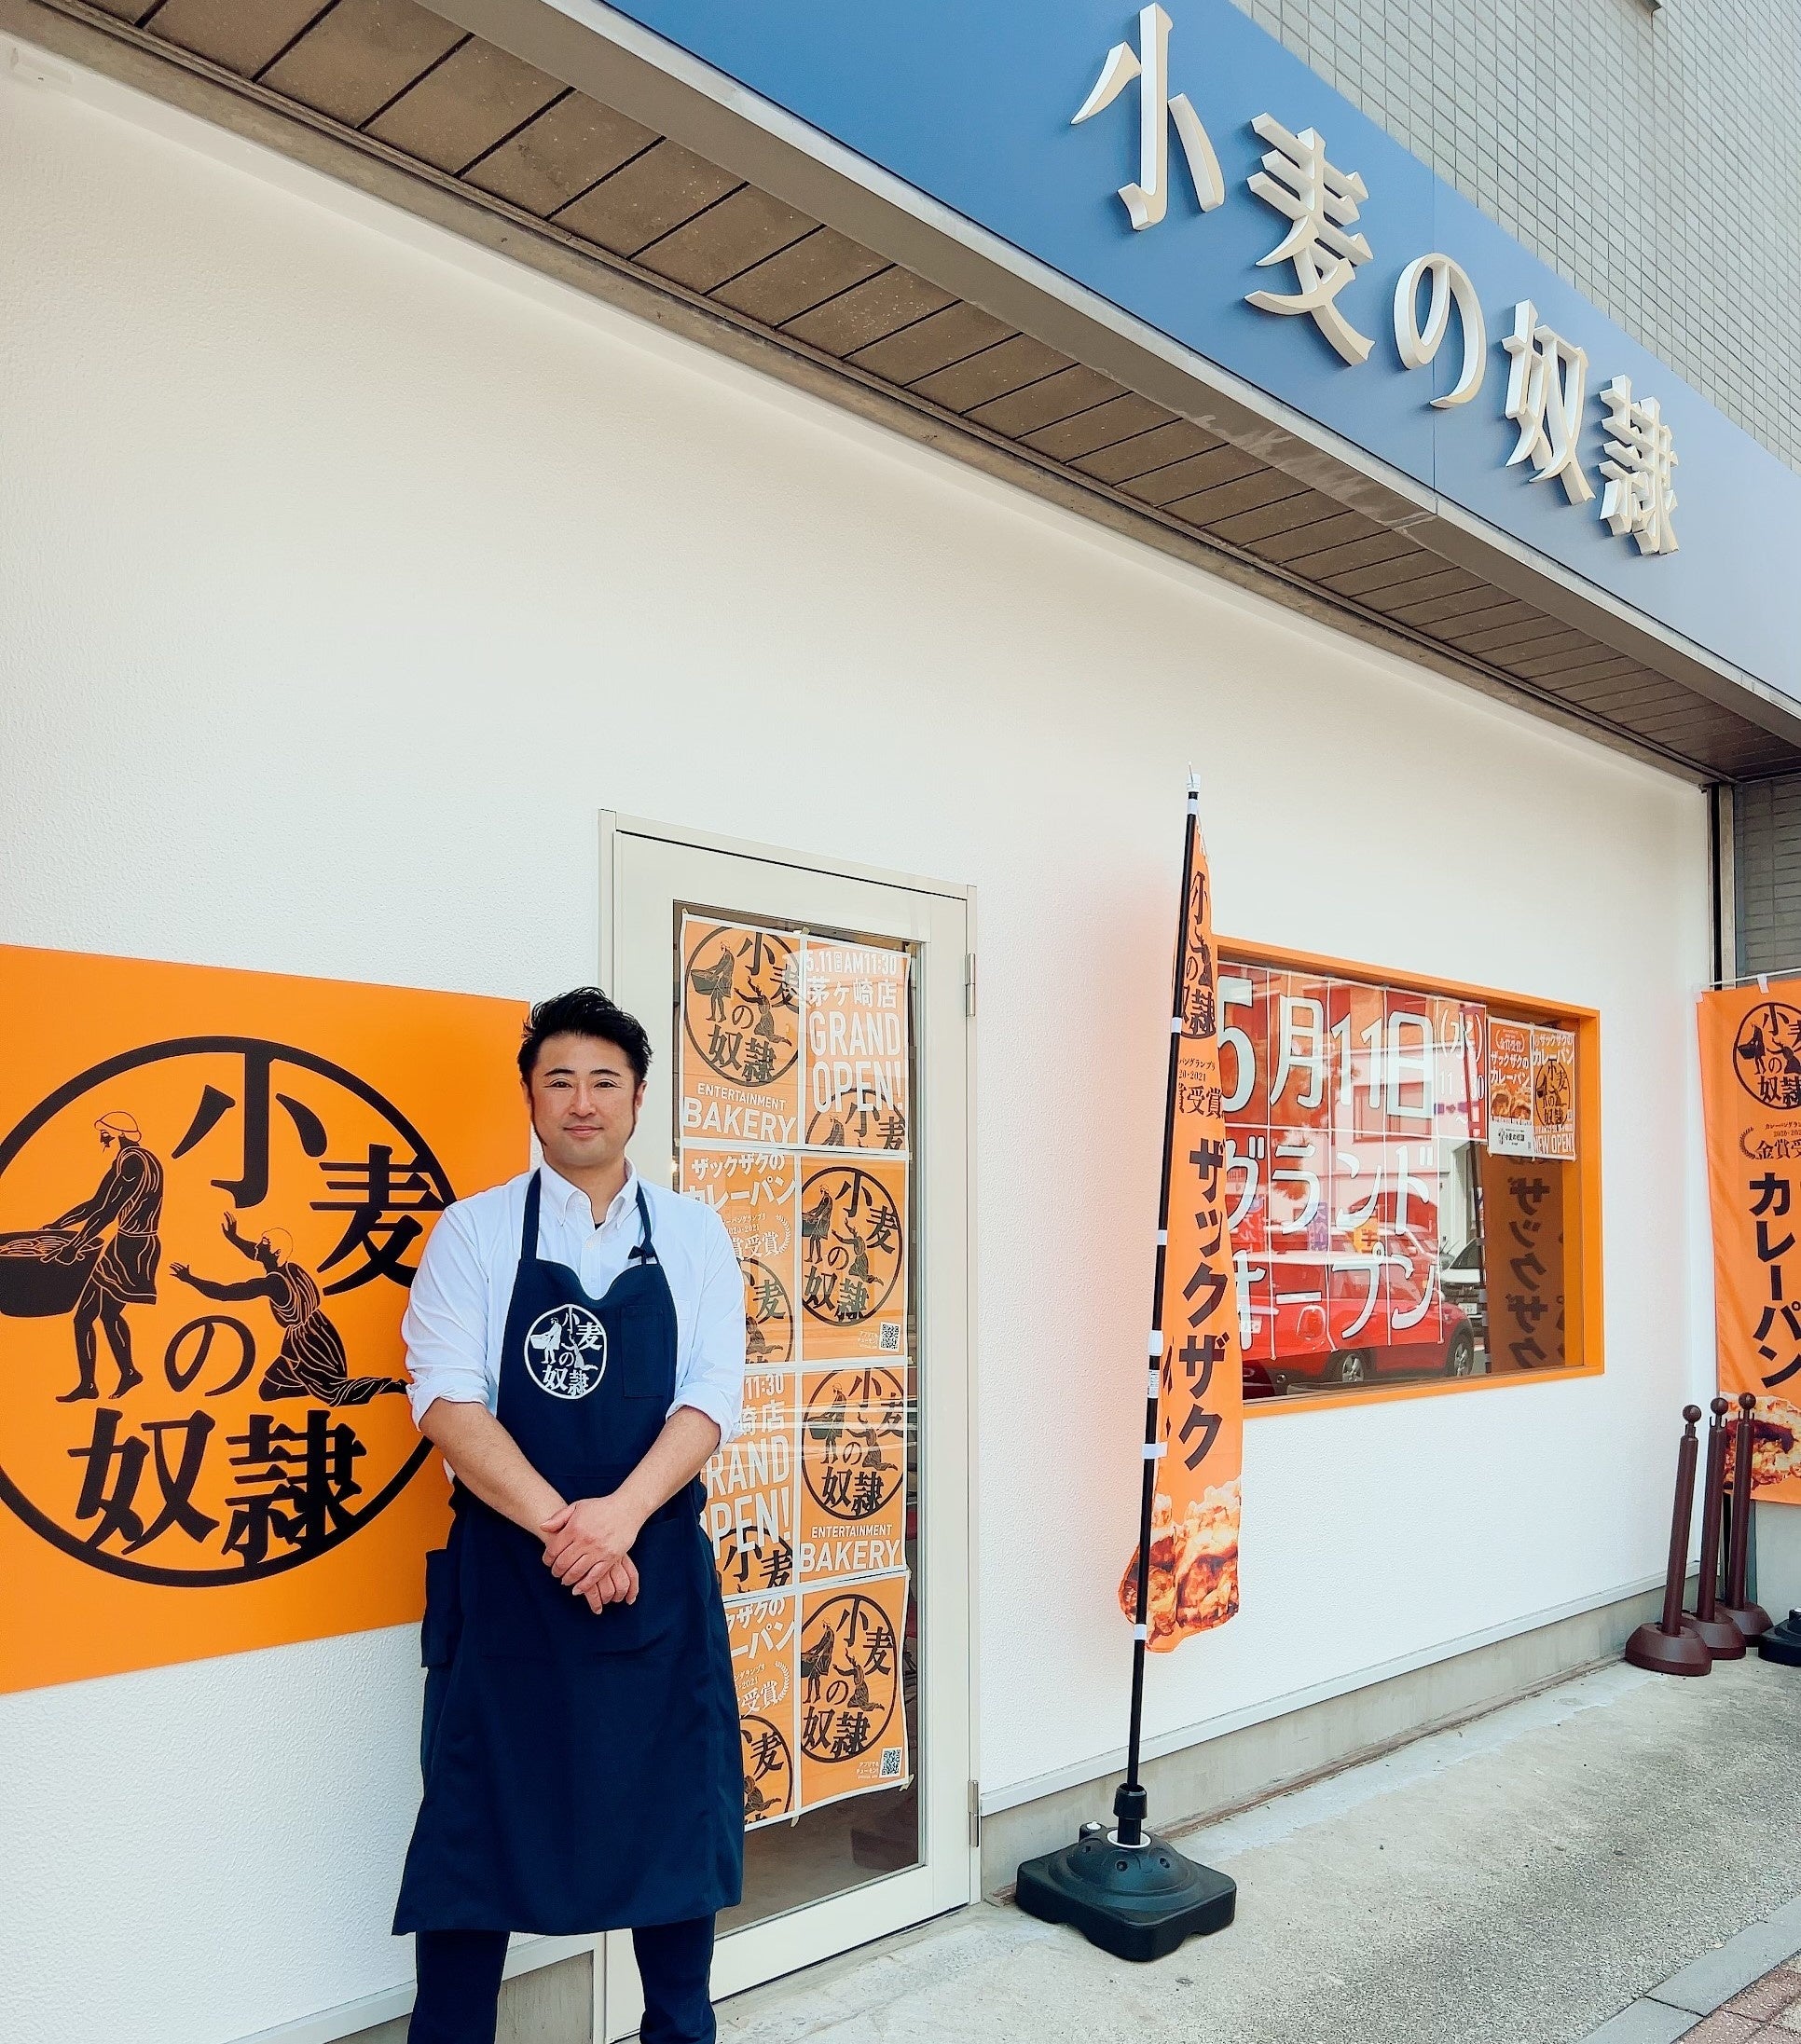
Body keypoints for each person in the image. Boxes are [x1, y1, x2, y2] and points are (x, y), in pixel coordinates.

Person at [392, 988, 746, 2044]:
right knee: (474, 1844)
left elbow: (711, 1395)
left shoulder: (691, 1233)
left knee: (673, 1845)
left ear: (638, 1098)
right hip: (509, 1590)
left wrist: (622, 1519)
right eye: (560, 1081)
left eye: (604, 1081)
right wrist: (570, 1530)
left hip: (655, 1584)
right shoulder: (474, 1232)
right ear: (530, 1099)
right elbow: (446, 1401)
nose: (581, 1102)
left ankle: (677, 2031)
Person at [169, 1215, 407, 1405]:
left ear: (275, 1253)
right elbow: (254, 1252)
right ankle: (313, 1385)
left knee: (331, 1392)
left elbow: (227, 1292)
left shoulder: (273, 1283)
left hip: (305, 1346)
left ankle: (385, 1386)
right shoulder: (291, 1268)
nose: (258, 1246)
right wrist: (234, 1238)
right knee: (272, 1390)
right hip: (321, 1332)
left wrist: (190, 1279)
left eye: (264, 1244)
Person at [45, 1111, 163, 1402]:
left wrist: (77, 1244)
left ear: (118, 1134)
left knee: (88, 1316)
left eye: (105, 1133)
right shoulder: (129, 1159)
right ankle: (121, 1375)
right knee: (98, 1315)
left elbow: (108, 1210)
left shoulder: (134, 1161)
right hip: (126, 1244)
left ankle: (102, 1381)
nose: (101, 1139)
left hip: (134, 1248)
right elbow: (97, 1203)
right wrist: (58, 1224)